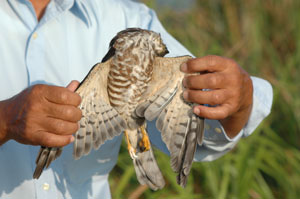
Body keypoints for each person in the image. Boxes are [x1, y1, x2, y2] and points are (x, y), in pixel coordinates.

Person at [0, 0, 273, 198]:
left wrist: (241, 101)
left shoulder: (128, 16)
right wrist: (5, 120)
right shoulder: (104, 61)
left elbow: (206, 132)